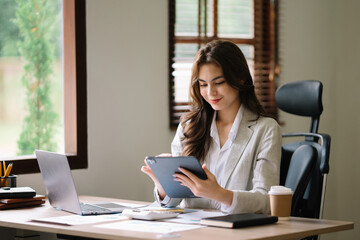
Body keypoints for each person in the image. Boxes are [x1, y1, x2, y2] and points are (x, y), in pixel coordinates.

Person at [141, 40, 281, 214]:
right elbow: (175, 201)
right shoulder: (189, 126)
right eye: (203, 84)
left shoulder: (266, 129)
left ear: (240, 78)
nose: (210, 92)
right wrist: (163, 185)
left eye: (219, 82)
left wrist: (220, 194)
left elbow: (266, 201)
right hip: (192, 231)